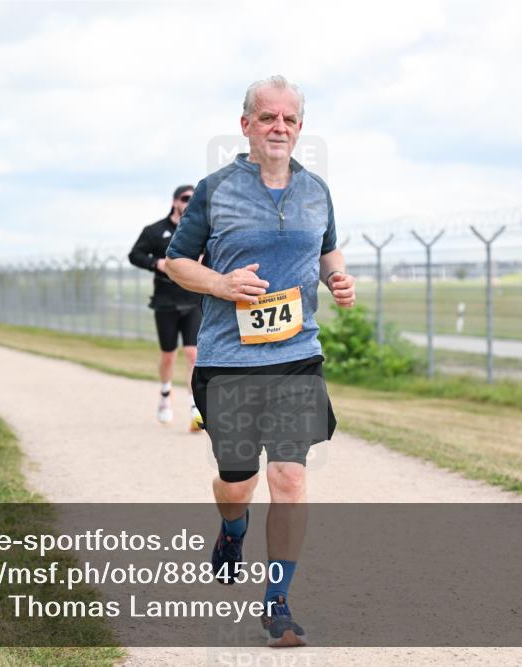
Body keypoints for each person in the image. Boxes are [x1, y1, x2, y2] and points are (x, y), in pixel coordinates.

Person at [165, 75, 356, 647]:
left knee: (290, 477)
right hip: (229, 359)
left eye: (289, 120)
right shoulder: (215, 188)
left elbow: (326, 249)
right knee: (238, 480)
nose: (279, 128)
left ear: (300, 128)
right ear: (245, 124)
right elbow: (177, 264)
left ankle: (278, 602)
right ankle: (231, 528)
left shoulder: (316, 189)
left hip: (298, 354)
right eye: (267, 118)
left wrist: (338, 278)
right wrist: (221, 284)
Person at [128, 185, 205, 431]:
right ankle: (164, 394)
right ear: (175, 202)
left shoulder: (200, 229)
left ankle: (195, 407)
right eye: (185, 198)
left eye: (194, 199)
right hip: (165, 301)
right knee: (169, 355)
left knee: (193, 354)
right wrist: (157, 263)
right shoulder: (155, 231)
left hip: (193, 299)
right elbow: (135, 255)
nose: (189, 202)